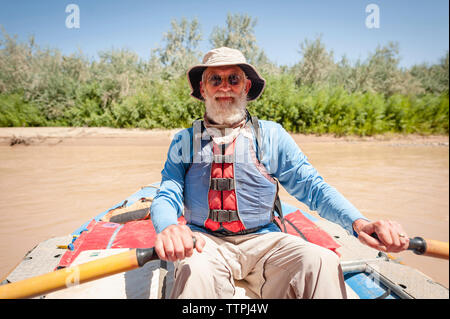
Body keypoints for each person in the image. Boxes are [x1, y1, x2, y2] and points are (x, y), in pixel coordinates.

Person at [150, 47, 410, 299]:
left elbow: (313, 188)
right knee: (193, 270)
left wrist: (359, 223)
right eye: (215, 79)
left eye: (234, 79)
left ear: (246, 87)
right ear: (203, 89)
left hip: (264, 240)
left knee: (322, 260)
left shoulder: (272, 136)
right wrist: (169, 227)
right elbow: (167, 194)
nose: (225, 87)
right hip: (204, 242)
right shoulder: (184, 141)